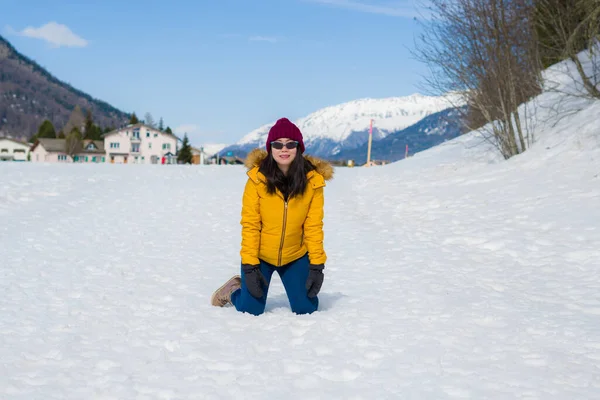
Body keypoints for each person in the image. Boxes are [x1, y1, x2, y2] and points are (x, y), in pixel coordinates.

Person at [211, 117, 334, 315]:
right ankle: (233, 289)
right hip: (261, 257)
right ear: (270, 148)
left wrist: (317, 265)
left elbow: (313, 226)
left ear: (298, 147)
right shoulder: (256, 180)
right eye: (278, 144)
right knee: (250, 309)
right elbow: (250, 225)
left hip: (295, 256)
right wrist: (250, 266)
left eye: (290, 144)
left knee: (306, 308)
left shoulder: (313, 182)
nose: (284, 149)